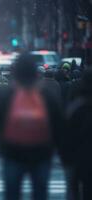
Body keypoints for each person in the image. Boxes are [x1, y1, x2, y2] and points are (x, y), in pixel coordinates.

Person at [0, 54, 63, 200]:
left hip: (13, 153)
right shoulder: (46, 94)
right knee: (40, 192)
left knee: (12, 192)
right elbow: (58, 124)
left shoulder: (9, 94)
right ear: (36, 73)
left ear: (16, 72)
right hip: (41, 152)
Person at [62, 68, 92, 200]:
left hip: (80, 160)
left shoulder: (76, 109)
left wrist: (67, 159)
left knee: (76, 190)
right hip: (81, 158)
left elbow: (67, 137)